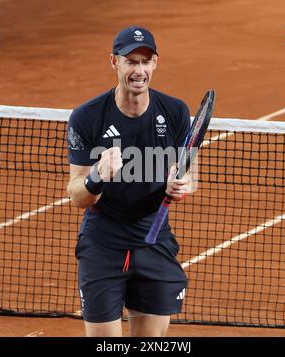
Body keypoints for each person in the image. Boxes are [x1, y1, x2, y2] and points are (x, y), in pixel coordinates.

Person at [67, 25, 193, 337]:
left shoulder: (175, 112)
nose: (139, 70)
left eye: (145, 61)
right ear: (114, 62)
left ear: (155, 64)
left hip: (153, 240)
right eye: (130, 61)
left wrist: (181, 185)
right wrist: (98, 175)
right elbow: (77, 196)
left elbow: (185, 172)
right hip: (104, 243)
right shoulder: (86, 117)